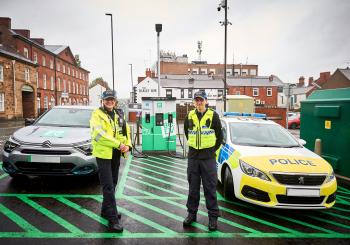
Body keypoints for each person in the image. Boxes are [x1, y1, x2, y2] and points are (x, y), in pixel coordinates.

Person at [90, 90, 132, 232]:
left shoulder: (119, 114)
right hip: (103, 154)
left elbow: (125, 132)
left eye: (112, 99)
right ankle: (112, 219)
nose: (109, 101)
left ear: (115, 101)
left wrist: (128, 145)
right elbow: (99, 135)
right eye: (107, 99)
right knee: (108, 185)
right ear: (102, 100)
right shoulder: (97, 115)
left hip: (115, 154)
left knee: (113, 183)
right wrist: (118, 144)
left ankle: (105, 210)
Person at [183, 90, 223, 231]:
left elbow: (219, 137)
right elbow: (188, 133)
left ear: (206, 101)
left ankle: (213, 217)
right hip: (193, 157)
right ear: (194, 102)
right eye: (197, 100)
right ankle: (191, 214)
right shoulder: (190, 115)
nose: (199, 102)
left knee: (210, 188)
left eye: (201, 100)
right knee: (193, 188)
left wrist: (211, 151)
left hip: (208, 157)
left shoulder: (213, 115)